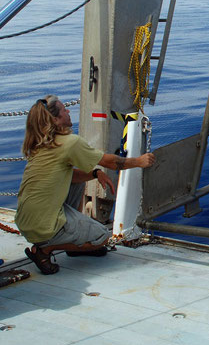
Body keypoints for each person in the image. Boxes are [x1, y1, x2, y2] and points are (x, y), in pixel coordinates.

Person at [15, 95, 155, 275]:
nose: (68, 111)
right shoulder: (69, 143)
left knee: (78, 183)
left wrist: (94, 174)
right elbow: (110, 162)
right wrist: (139, 161)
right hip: (42, 227)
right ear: (56, 120)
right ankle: (44, 250)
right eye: (64, 110)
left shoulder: (41, 144)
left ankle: (69, 241)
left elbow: (68, 176)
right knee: (102, 237)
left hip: (27, 221)